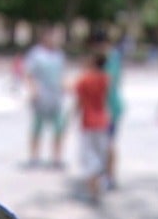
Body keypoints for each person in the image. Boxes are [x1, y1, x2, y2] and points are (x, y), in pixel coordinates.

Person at [24, 26, 66, 169]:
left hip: (56, 96)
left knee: (59, 128)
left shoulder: (59, 54)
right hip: (41, 95)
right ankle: (34, 157)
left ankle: (56, 158)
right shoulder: (36, 54)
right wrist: (33, 89)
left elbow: (61, 74)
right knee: (37, 128)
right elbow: (28, 73)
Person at [75, 53, 110, 204]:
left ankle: (93, 191)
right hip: (102, 119)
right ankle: (100, 184)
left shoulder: (84, 79)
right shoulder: (105, 78)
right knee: (99, 154)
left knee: (88, 157)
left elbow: (80, 101)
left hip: (88, 121)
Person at [92, 31, 124, 190]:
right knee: (104, 143)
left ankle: (109, 176)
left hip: (109, 107)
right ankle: (105, 175)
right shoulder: (111, 57)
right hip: (105, 107)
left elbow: (107, 83)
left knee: (108, 143)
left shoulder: (111, 58)